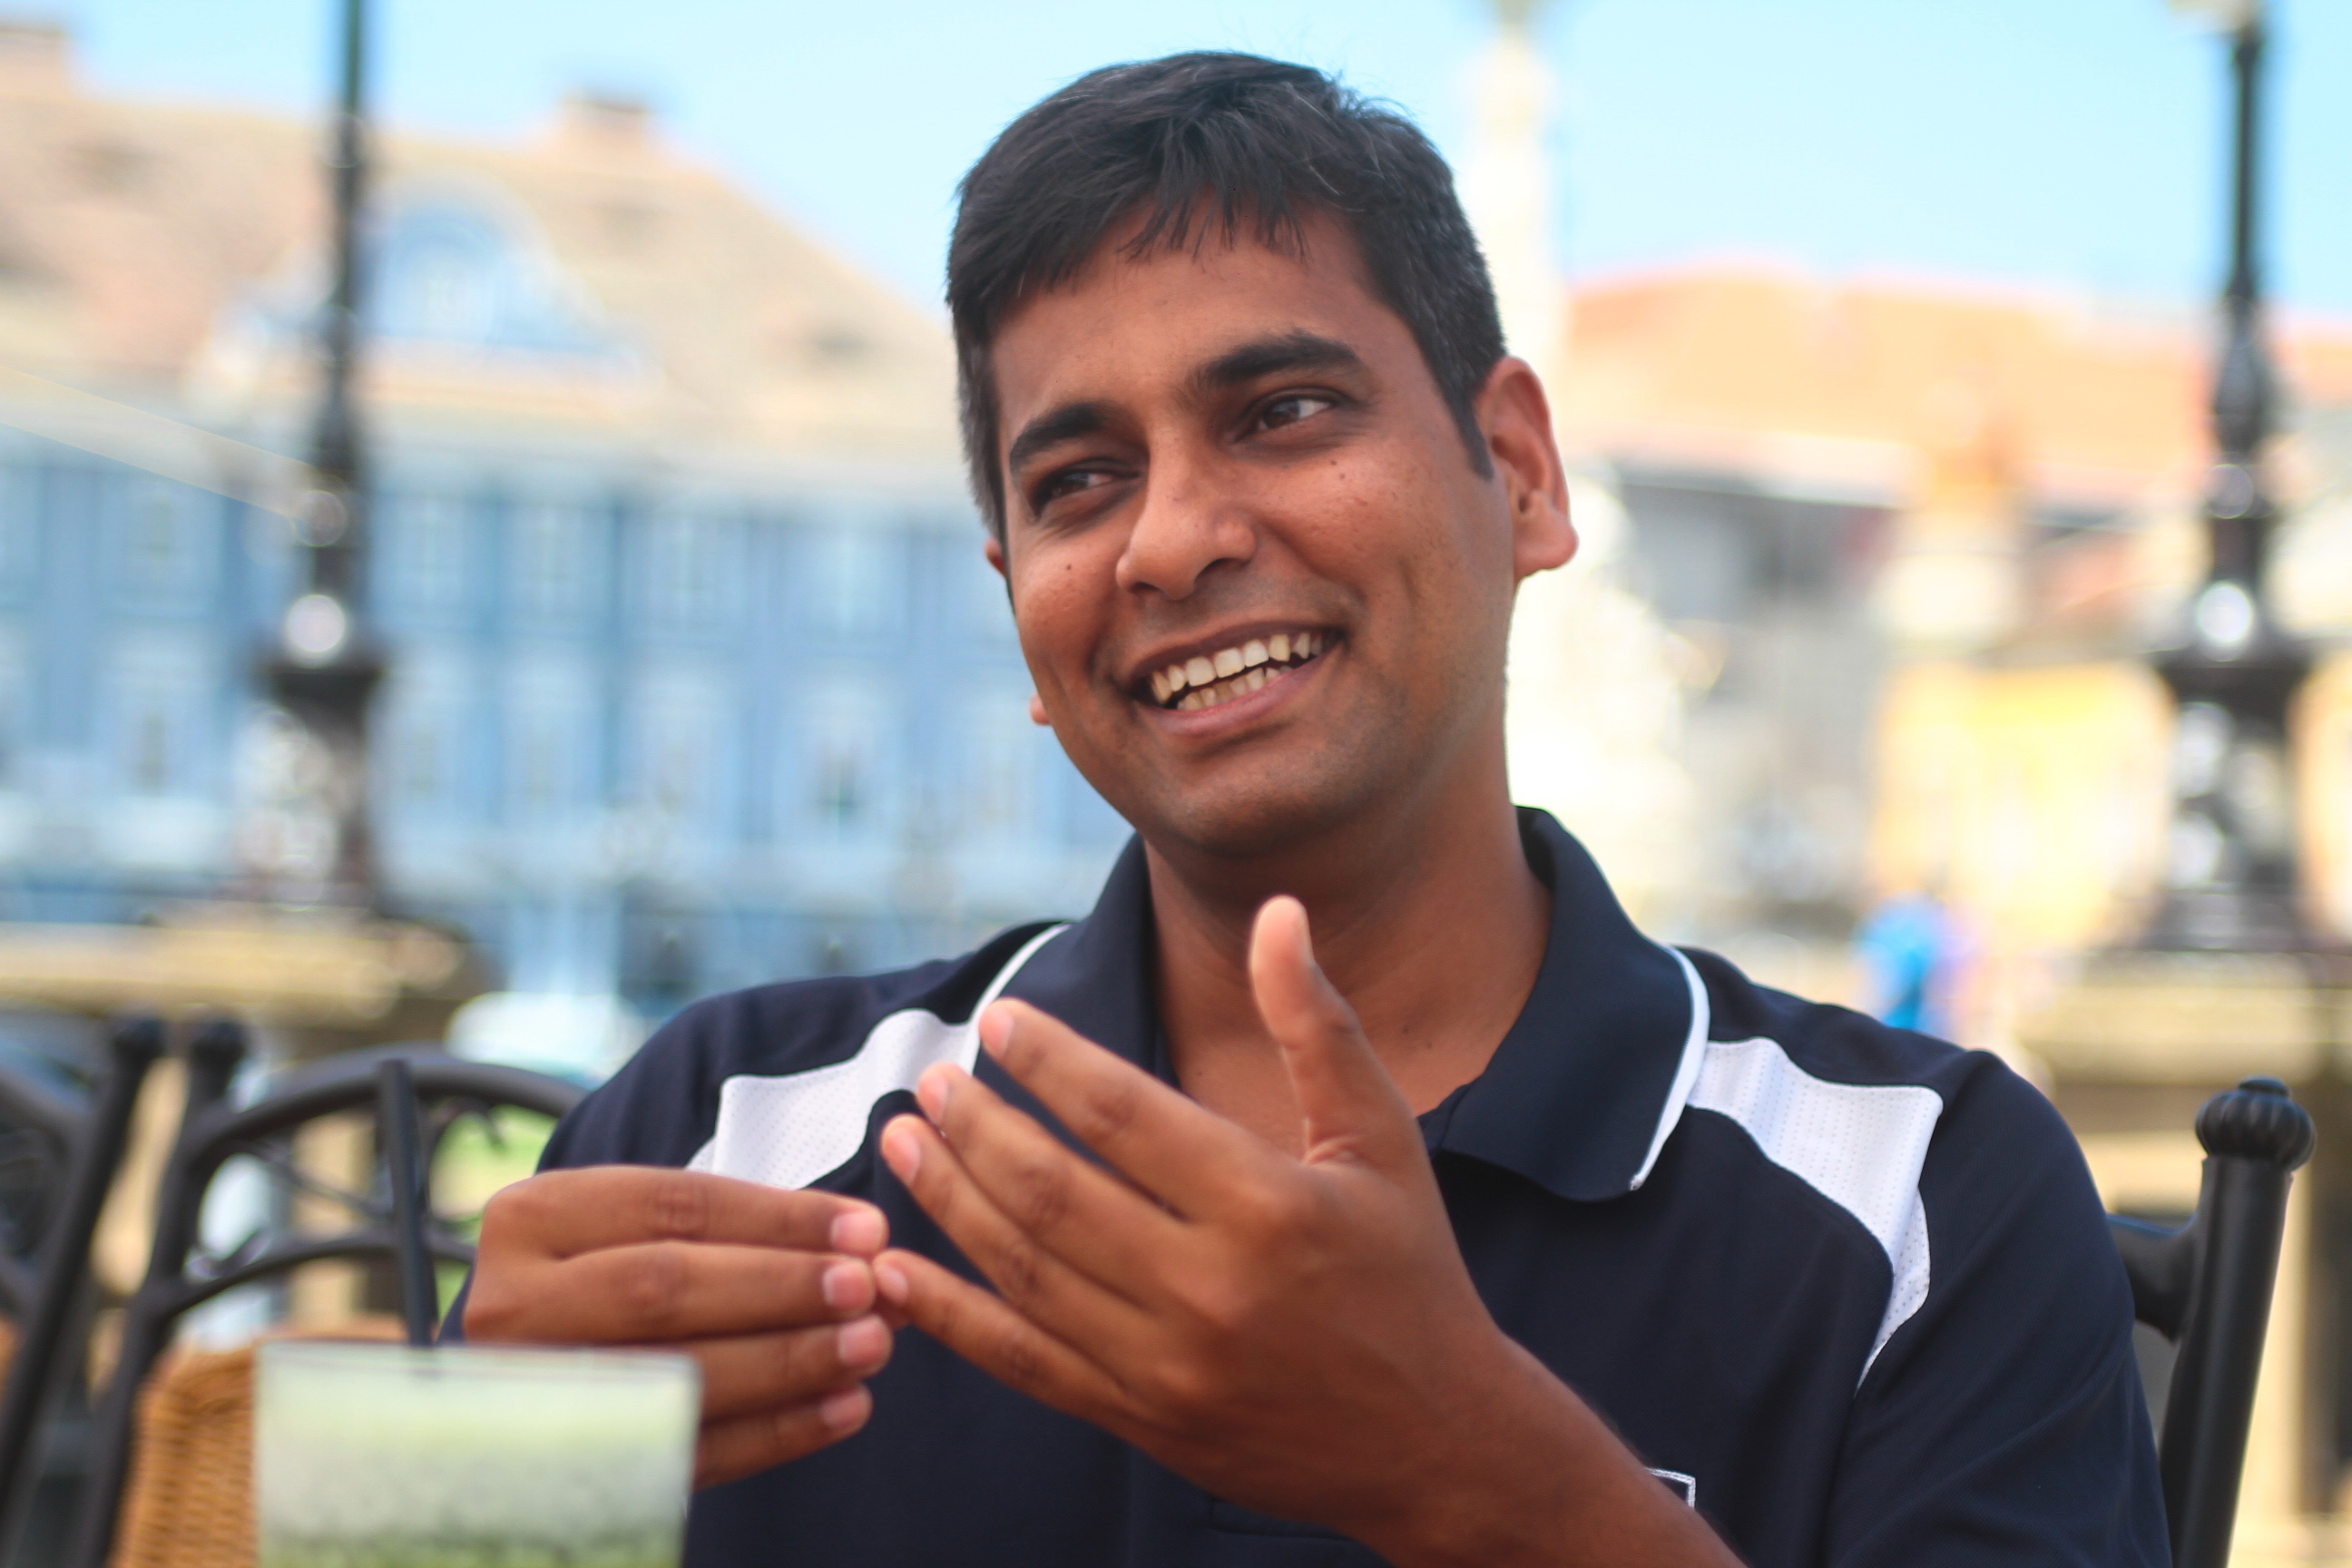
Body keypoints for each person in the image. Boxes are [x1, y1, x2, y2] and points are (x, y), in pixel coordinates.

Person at [458, 53, 2164, 1568]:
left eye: (1282, 414)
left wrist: (1479, 1477)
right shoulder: (729, 1140)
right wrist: (462, 1493)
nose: (1170, 539)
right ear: (1021, 612)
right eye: (1079, 481)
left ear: (1521, 473)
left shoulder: (1919, 1193)